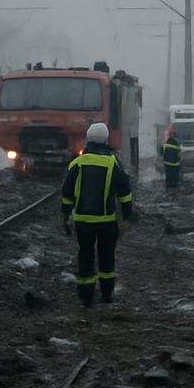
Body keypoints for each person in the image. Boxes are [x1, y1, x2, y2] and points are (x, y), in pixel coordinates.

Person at [60, 122, 134, 307]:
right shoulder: (113, 163)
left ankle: (86, 296)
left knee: (85, 255)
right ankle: (107, 294)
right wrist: (126, 217)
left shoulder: (77, 163)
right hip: (107, 221)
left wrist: (65, 216)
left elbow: (67, 193)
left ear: (88, 139)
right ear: (106, 140)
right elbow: (125, 192)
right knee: (107, 256)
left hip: (83, 222)